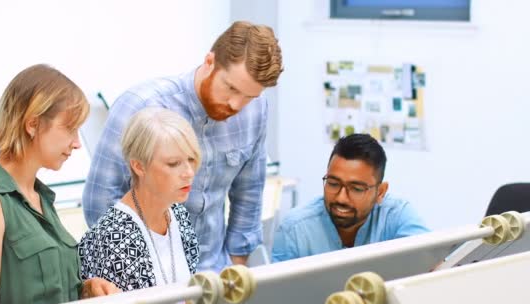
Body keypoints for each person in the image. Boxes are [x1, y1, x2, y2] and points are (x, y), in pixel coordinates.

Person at [83, 21, 284, 272]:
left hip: (214, 273)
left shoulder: (257, 110)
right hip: (146, 277)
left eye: (249, 96)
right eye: (231, 88)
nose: (236, 104)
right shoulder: (140, 106)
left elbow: (249, 191)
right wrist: (142, 275)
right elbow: (100, 203)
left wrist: (236, 267)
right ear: (209, 62)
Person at [0, 64, 119, 304]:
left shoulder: (41, 198)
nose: (77, 143)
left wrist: (87, 290)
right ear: (33, 124)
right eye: (69, 128)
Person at [78, 107, 201, 304]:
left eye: (191, 160)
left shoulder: (178, 214)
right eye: (173, 164)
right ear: (138, 166)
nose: (188, 172)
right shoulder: (114, 236)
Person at [272, 134, 430, 262]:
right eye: (333, 184)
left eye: (356, 189)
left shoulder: (397, 216)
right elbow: (279, 296)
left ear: (380, 192)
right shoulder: (294, 229)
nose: (341, 198)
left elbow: (432, 265)